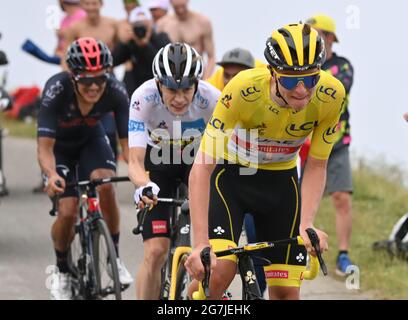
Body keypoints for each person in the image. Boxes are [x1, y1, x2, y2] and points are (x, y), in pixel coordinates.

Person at [185, 23, 346, 300]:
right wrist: (200, 243)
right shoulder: (243, 89)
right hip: (233, 179)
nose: (300, 90)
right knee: (220, 272)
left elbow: (317, 165)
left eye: (309, 80)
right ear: (273, 73)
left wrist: (306, 222)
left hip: (281, 185)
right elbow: (202, 167)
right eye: (289, 80)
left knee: (285, 293)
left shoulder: (331, 95)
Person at [37, 38, 133, 300]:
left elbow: (128, 148)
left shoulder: (115, 90)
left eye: (100, 79)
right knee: (67, 212)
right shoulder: (56, 90)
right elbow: (45, 149)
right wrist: (51, 174)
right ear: (73, 76)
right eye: (86, 80)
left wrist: (141, 176)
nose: (94, 86)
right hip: (59, 149)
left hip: (92, 141)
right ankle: (63, 269)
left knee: (106, 186)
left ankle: (115, 256)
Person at [128, 42, 220, 299]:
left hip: (197, 164)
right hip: (158, 167)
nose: (179, 98)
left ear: (197, 84)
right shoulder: (142, 98)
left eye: (187, 89)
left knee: (204, 251)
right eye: (171, 89)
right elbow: (134, 160)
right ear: (158, 84)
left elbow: (227, 154)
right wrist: (142, 185)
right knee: (155, 252)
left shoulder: (213, 99)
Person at [207, 47, 267, 295]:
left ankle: (256, 292)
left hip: (256, 172)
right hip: (225, 172)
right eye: (227, 75)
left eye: (238, 75)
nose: (231, 81)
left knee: (258, 242)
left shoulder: (265, 93)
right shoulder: (213, 90)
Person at [306, 14, 355, 276]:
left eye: (319, 35)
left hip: (336, 141)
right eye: (309, 34)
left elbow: (337, 91)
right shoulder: (299, 63)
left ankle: (343, 255)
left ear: (331, 38)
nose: (314, 39)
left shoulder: (342, 66)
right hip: (299, 142)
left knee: (341, 197)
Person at [112, 6, 171, 96]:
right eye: (137, 25)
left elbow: (164, 65)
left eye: (144, 25)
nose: (141, 29)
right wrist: (123, 43)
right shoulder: (131, 42)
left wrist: (145, 45)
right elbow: (113, 61)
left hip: (158, 85)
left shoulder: (161, 38)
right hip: (137, 87)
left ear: (151, 23)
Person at [156, 0, 215, 79]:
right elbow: (158, 53)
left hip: (195, 74)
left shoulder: (202, 22)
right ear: (170, 3)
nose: (180, 10)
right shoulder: (162, 24)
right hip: (170, 76)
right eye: (176, 7)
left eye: (183, 6)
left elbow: (211, 56)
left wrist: (206, 80)